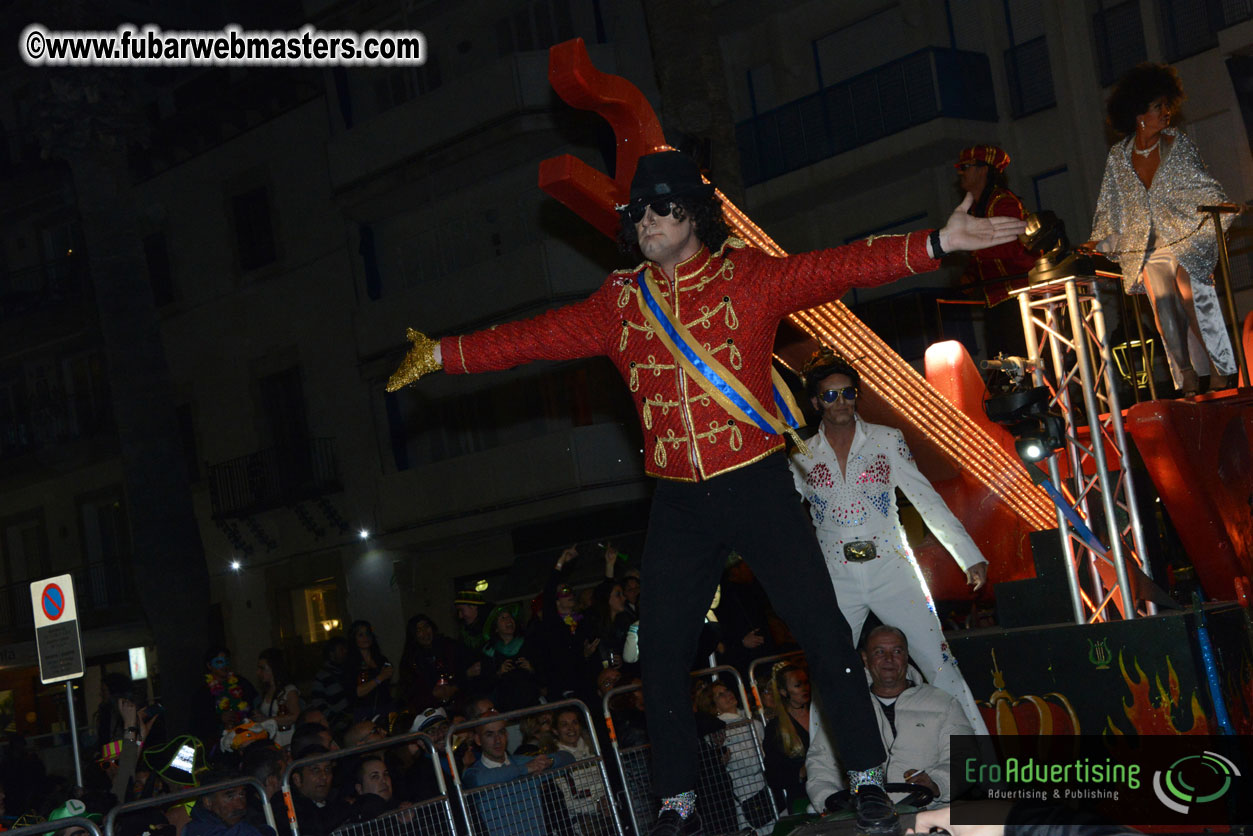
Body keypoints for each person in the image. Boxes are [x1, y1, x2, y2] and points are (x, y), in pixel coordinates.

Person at [387, 149, 1025, 836]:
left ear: (691, 213)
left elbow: (833, 267)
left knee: (822, 632)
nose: (646, 222)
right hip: (678, 501)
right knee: (660, 652)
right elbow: (532, 338)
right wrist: (442, 354)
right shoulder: (618, 303)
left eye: (660, 208)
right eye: (637, 213)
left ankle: (868, 777)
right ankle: (676, 802)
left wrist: (933, 243)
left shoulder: (744, 277)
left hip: (755, 484)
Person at [790, 350, 989, 733]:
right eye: (830, 395)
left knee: (940, 663)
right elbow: (782, 522)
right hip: (836, 578)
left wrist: (968, 556)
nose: (841, 402)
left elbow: (925, 498)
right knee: (829, 672)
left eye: (848, 393)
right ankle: (830, 783)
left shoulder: (886, 440)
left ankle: (981, 764)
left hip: (891, 568)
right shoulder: (802, 454)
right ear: (816, 403)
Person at [1088, 62, 1236, 396]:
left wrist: (1220, 209)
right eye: (1159, 107)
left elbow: (1204, 186)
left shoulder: (1177, 145)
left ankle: (1219, 367)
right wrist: (1099, 239)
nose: (1167, 112)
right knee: (1164, 307)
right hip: (1148, 247)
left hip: (1185, 237)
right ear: (1140, 115)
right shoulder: (1118, 157)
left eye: (1167, 105)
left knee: (1191, 296)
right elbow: (1110, 206)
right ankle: (1185, 373)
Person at [806, 625, 974, 811]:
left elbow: (964, 758)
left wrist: (936, 782)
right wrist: (834, 805)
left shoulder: (943, 703)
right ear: (865, 658)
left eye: (897, 651)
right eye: (879, 652)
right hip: (865, 820)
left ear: (906, 656)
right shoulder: (846, 708)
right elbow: (820, 765)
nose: (889, 659)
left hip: (927, 816)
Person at [461, 715, 575, 836]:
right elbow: (479, 781)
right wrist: (525, 769)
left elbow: (569, 758)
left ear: (507, 735)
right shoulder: (474, 773)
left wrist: (549, 761)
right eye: (489, 734)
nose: (497, 740)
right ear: (478, 739)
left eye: (501, 732)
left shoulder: (523, 762)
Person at [955, 145, 1036, 306]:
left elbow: (1009, 245)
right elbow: (982, 256)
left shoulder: (1003, 202)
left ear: (983, 170)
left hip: (1024, 297)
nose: (960, 172)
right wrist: (970, 275)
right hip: (999, 299)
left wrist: (969, 246)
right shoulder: (974, 210)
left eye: (965, 167)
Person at [762, 662, 811, 815]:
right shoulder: (776, 728)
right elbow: (773, 776)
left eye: (806, 682)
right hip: (802, 799)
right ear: (784, 692)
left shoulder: (821, 714)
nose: (805, 688)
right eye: (798, 685)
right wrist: (800, 772)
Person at [185, 769, 271, 836]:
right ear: (208, 802)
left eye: (242, 795)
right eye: (230, 797)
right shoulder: (200, 830)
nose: (240, 805)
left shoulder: (235, 823)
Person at [344, 621, 393, 722]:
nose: (365, 638)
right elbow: (357, 692)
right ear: (354, 638)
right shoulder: (350, 664)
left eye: (368, 634)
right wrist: (380, 678)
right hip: (365, 712)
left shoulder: (381, 660)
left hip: (385, 708)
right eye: (361, 635)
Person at [253, 649, 300, 748]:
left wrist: (267, 719)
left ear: (274, 668)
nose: (258, 672)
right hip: (272, 741)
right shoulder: (266, 692)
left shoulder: (289, 690)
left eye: (262, 668)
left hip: (287, 740)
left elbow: (296, 716)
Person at [309, 638, 351, 728]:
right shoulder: (322, 676)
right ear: (332, 653)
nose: (345, 652)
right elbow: (317, 702)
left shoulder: (347, 672)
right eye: (341, 649)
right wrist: (335, 719)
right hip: (339, 726)